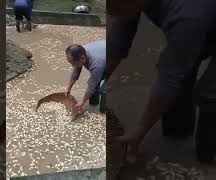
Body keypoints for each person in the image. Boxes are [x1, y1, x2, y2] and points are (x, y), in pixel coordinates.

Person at [107, 0, 216, 162]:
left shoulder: (186, 16)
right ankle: (179, 130)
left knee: (209, 93)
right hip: (199, 20)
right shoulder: (130, 5)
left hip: (195, 17)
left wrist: (140, 129)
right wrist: (96, 83)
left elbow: (170, 77)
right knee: (183, 73)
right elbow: (119, 39)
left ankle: (210, 155)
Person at [65, 39, 106, 113]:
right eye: (71, 63)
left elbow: (92, 85)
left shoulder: (96, 64)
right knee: (95, 84)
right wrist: (68, 88)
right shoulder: (79, 51)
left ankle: (105, 110)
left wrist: (82, 102)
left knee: (105, 90)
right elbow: (76, 71)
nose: (72, 66)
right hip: (104, 54)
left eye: (74, 63)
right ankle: (94, 103)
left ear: (82, 58)